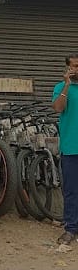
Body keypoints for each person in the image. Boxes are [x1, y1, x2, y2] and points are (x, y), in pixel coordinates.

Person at [52, 53, 78, 246]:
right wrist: (67, 84)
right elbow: (59, 108)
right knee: (71, 190)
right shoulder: (61, 88)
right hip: (71, 147)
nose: (77, 69)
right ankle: (70, 228)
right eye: (74, 66)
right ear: (68, 68)